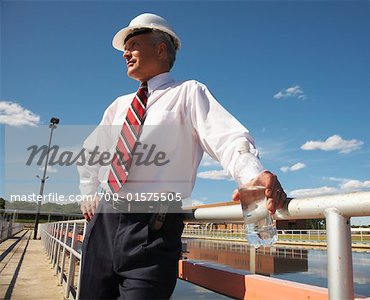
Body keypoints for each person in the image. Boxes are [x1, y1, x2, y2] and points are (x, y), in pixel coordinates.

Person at [77, 13, 287, 299]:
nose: (125, 53)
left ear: (161, 48)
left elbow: (229, 139)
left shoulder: (188, 93)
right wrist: (88, 192)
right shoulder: (117, 106)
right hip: (103, 223)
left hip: (153, 229)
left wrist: (252, 175)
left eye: (134, 44)